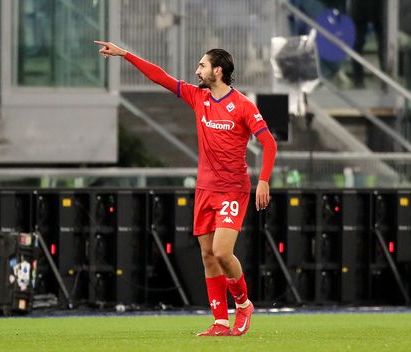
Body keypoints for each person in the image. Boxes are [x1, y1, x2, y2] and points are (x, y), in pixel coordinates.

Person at [94, 41, 277, 336]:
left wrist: (264, 180)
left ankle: (243, 304)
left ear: (218, 71)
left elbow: (269, 143)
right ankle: (220, 321)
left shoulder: (243, 105)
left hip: (233, 189)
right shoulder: (197, 97)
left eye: (202, 66)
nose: (197, 70)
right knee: (207, 254)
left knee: (221, 251)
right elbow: (160, 76)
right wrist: (125, 54)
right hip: (205, 188)